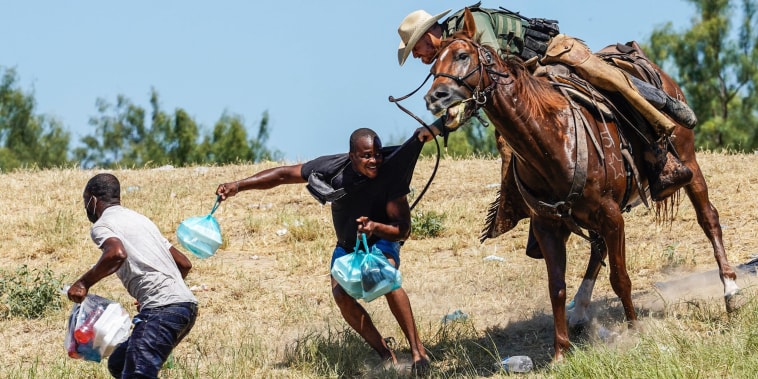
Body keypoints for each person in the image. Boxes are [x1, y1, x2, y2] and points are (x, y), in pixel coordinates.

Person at [398, 4, 695, 216]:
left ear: (427, 37)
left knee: (610, 83)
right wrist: (437, 126)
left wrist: (440, 123)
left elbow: (493, 72)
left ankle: (661, 140)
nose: (416, 57)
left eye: (415, 49)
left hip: (554, 55)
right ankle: (537, 211)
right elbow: (475, 94)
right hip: (528, 79)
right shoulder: (450, 56)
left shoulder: (470, 23)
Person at [215, 128, 430, 373]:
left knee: (384, 277)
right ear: (352, 156)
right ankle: (385, 354)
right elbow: (284, 175)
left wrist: (375, 227)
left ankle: (417, 352)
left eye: (378, 154)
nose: (374, 161)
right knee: (341, 296)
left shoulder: (391, 175)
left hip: (380, 240)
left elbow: (403, 230)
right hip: (347, 246)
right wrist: (238, 186)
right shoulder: (332, 168)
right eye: (367, 155)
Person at [68, 173, 198, 379]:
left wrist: (83, 283)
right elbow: (184, 264)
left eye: (86, 201)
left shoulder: (103, 225)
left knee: (137, 374)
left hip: (162, 309)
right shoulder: (141, 220)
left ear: (92, 199)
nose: (86, 207)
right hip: (186, 308)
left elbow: (116, 254)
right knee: (120, 364)